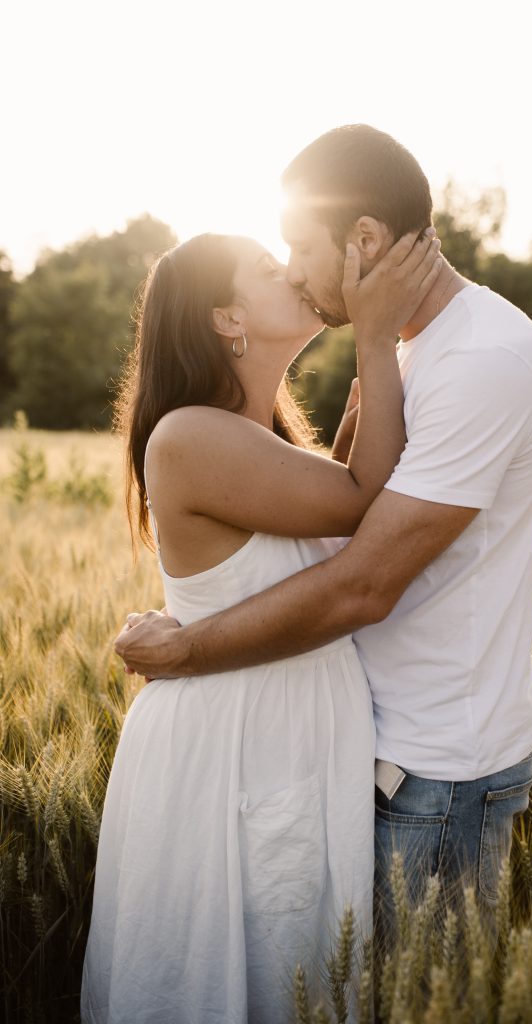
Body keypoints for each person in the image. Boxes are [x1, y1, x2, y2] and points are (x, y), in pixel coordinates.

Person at [116, 125, 532, 942]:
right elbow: (334, 522)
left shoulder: (481, 359)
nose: (290, 269)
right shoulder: (406, 357)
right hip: (345, 757)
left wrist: (190, 647)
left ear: (363, 239)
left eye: (296, 245)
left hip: (431, 769)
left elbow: (362, 577)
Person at [81, 227, 442, 1023]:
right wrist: (375, 338)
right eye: (271, 269)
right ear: (225, 318)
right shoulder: (188, 433)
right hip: (235, 746)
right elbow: (363, 504)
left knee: (289, 974)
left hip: (283, 735)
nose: (298, 274)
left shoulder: (266, 438)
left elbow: (332, 536)